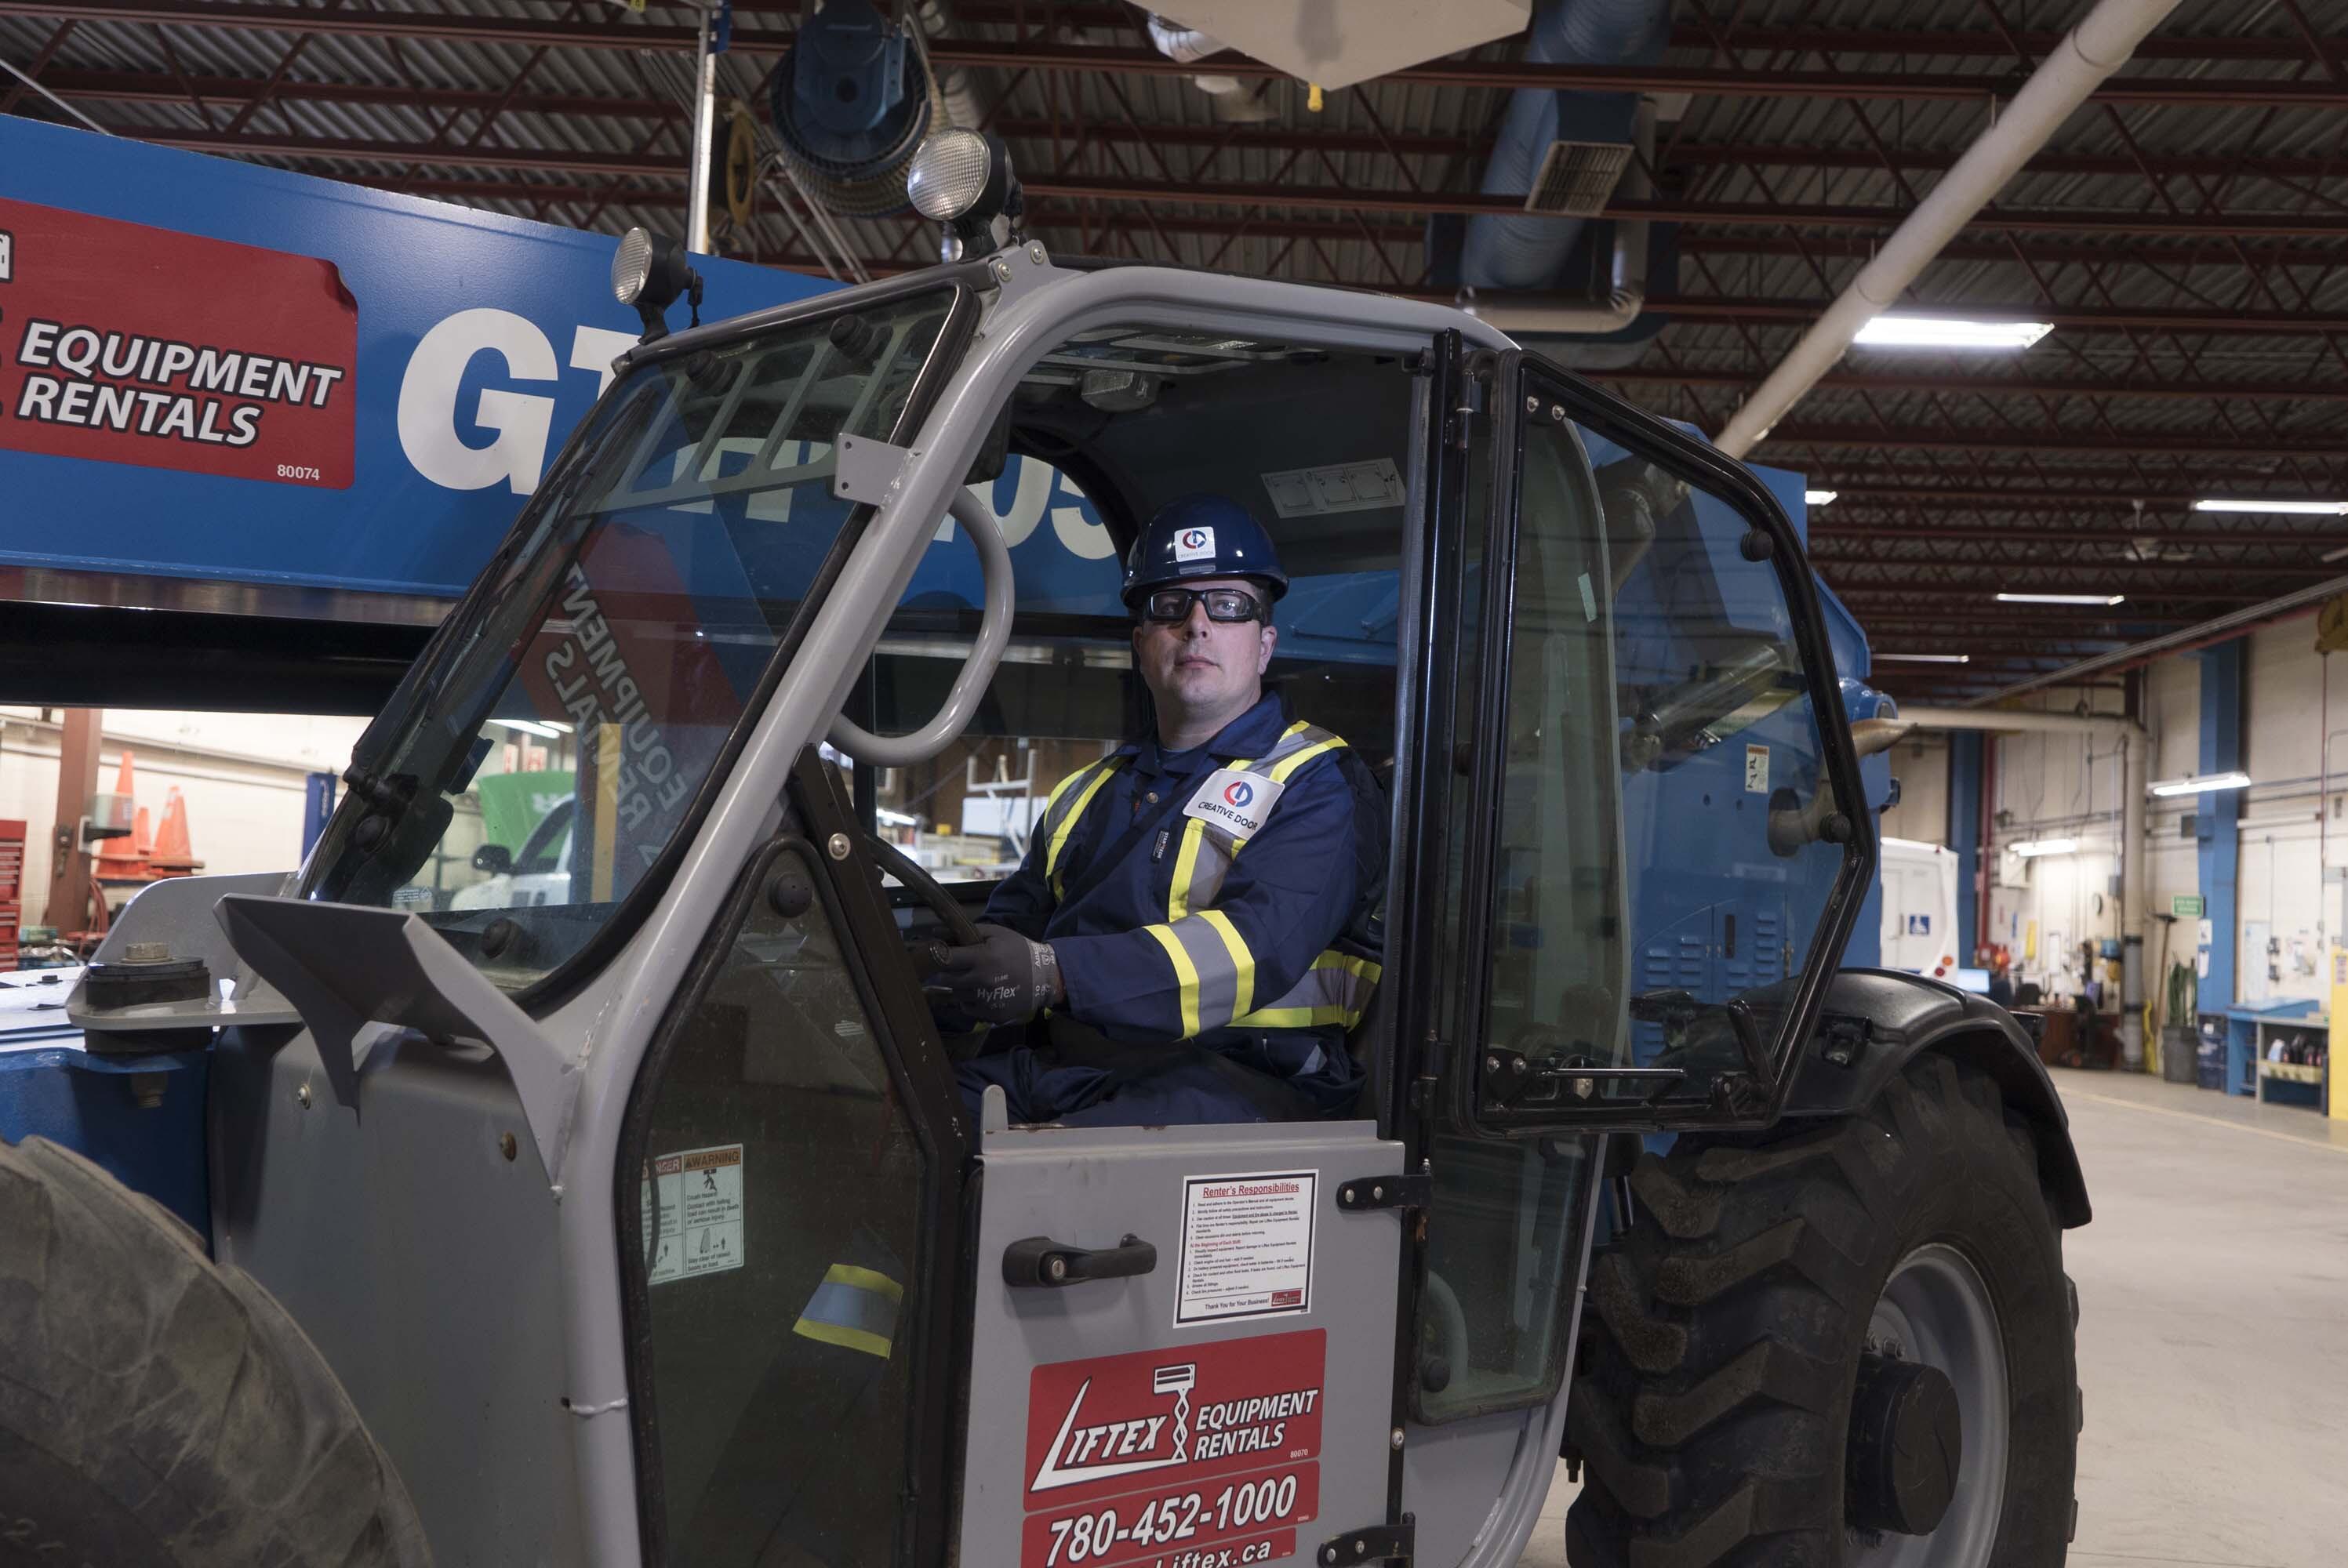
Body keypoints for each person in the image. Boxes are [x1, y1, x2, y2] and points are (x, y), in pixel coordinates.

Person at [925, 494, 1387, 1127]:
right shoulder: (1086, 793)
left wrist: (1053, 973)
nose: (1197, 625)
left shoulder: (1314, 781)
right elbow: (1007, 937)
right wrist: (942, 982)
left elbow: (1255, 950)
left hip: (1244, 1079)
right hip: (1078, 1066)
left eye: (1228, 606)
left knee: (1044, 1174)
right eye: (1171, 607)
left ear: (1264, 644)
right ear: (1142, 644)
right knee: (902, 1117)